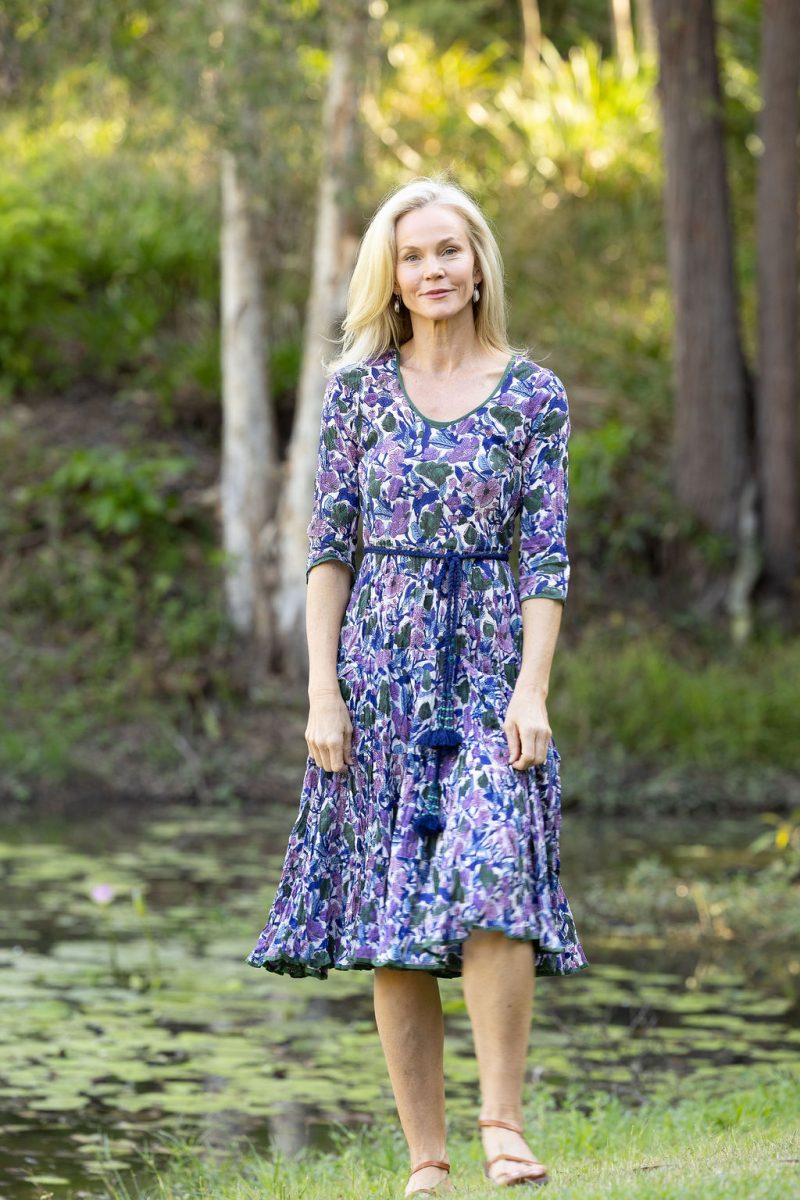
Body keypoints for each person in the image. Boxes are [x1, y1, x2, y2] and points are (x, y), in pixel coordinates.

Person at [248, 174, 588, 1195]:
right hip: (377, 667)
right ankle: (428, 1161)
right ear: (388, 278)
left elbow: (546, 559)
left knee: (492, 878)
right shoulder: (355, 392)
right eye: (411, 255)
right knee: (394, 913)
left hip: (487, 666)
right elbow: (329, 549)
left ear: (477, 261)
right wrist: (322, 692)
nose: (432, 269)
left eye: (448, 250)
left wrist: (531, 691)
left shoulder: (533, 394)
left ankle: (501, 1127)